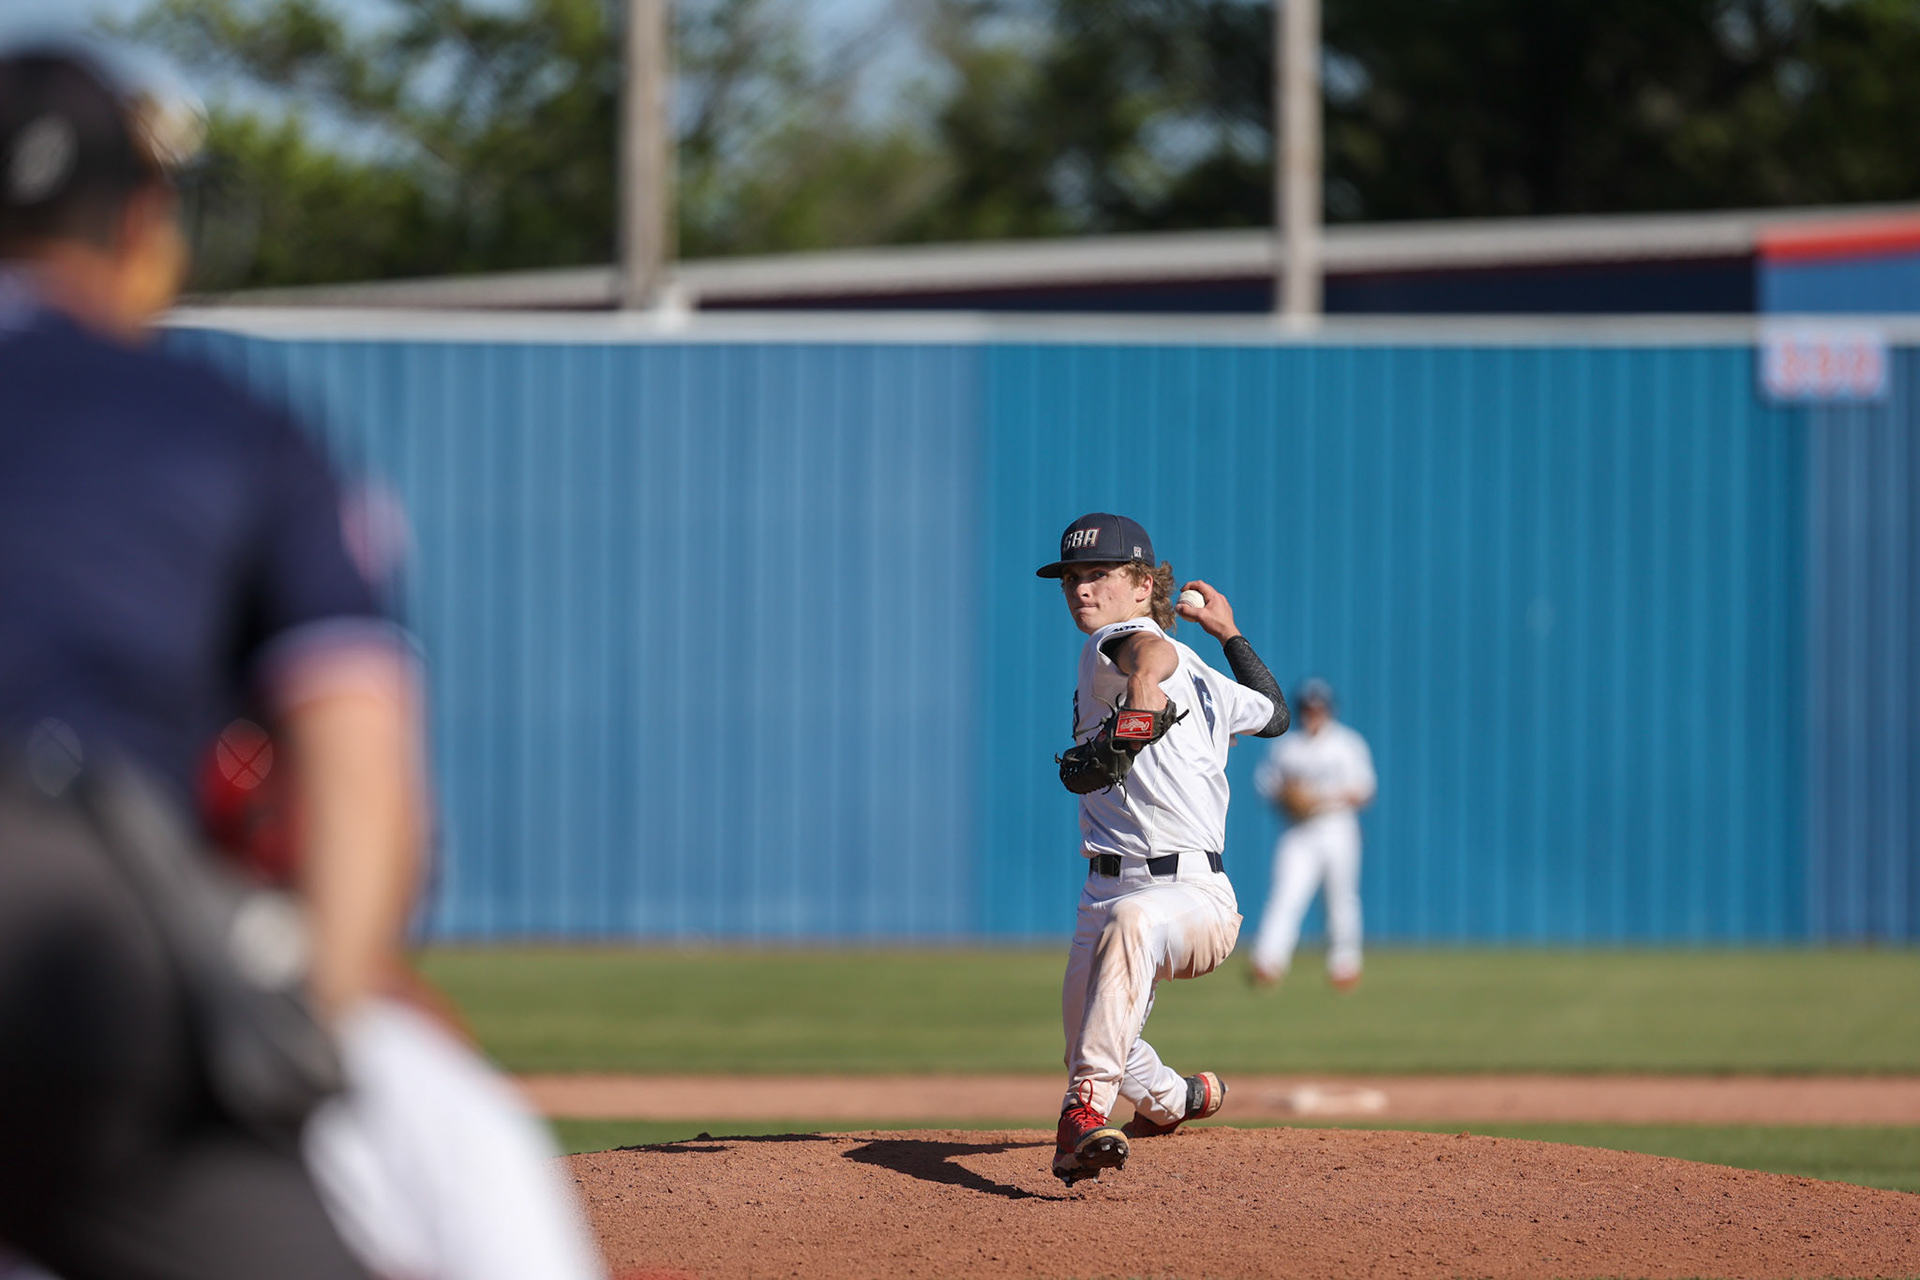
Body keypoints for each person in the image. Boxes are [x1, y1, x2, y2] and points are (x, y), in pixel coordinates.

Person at [0, 46, 602, 1280]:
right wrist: (296, 1047)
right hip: (75, 935)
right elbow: (362, 783)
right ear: (139, 218)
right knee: (442, 1152)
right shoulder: (227, 426)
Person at [1039, 512, 1290, 1186]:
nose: (1080, 590)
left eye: (1097, 575)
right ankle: (1178, 1098)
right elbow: (1274, 712)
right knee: (1088, 1040)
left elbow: (1149, 655)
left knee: (1135, 925)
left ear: (1143, 584)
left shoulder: (1122, 645)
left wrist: (1141, 699)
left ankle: (1081, 1120)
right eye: (1070, 579)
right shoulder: (1208, 676)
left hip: (1190, 899)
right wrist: (1229, 633)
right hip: (1105, 891)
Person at [1247, 678, 1377, 991]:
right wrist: (1289, 798)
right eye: (1307, 708)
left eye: (1318, 708)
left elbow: (1364, 791)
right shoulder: (1287, 747)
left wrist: (1317, 799)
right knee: (1286, 894)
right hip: (1298, 830)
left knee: (1341, 898)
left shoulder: (1347, 744)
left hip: (1337, 827)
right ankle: (1268, 962)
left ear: (1328, 709)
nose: (1313, 714)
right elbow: (1266, 785)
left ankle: (1344, 965)